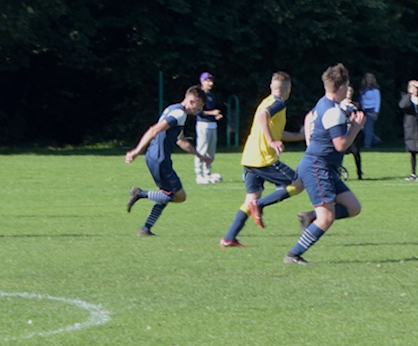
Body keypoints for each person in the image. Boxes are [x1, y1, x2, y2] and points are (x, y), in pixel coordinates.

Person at [286, 65, 365, 265]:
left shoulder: (323, 103)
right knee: (326, 218)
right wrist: (356, 127)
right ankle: (293, 255)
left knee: (353, 207)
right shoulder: (333, 111)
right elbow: (341, 145)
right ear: (342, 87)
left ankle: (310, 216)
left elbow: (314, 119)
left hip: (324, 167)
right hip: (317, 167)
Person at [221, 71, 304, 247]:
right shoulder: (278, 103)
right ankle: (259, 205)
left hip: (249, 157)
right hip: (263, 158)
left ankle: (228, 238)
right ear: (288, 89)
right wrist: (272, 141)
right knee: (297, 184)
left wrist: (299, 136)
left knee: (249, 199)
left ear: (271, 86)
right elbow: (262, 117)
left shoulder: (266, 101)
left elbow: (275, 130)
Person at [125, 86, 203, 235]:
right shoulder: (179, 114)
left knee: (166, 193)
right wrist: (136, 151)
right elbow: (154, 130)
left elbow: (181, 140)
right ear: (192, 101)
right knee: (179, 197)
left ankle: (145, 229)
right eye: (199, 106)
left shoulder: (173, 109)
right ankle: (140, 193)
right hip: (160, 159)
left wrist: (200, 156)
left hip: (154, 157)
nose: (199, 110)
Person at [193, 72, 223, 185]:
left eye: (211, 81)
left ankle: (207, 174)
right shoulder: (199, 95)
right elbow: (198, 112)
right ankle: (199, 175)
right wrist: (212, 113)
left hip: (212, 125)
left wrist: (216, 116)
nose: (210, 83)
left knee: (211, 152)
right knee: (201, 150)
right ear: (202, 82)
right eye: (207, 81)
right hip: (203, 125)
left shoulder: (211, 95)